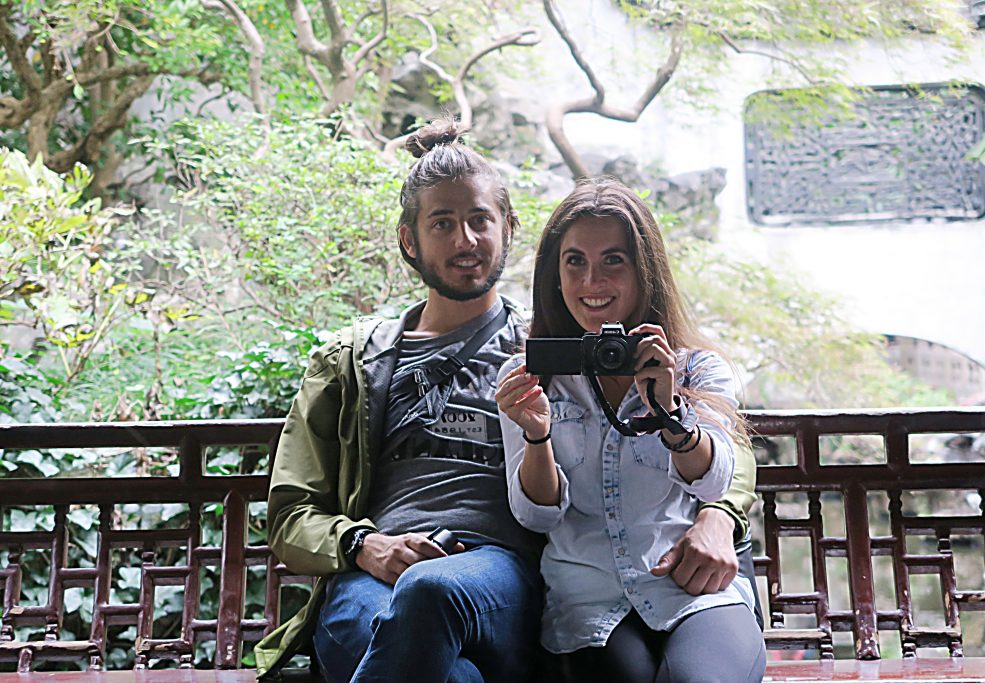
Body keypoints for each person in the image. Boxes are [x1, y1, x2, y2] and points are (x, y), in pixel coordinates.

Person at [253, 118, 760, 683]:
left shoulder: (553, 351)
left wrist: (718, 513)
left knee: (430, 594)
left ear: (508, 230)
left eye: (479, 221)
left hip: (499, 572)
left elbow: (723, 446)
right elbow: (290, 512)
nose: (464, 241)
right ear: (408, 239)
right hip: (372, 570)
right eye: (441, 224)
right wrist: (364, 545)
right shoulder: (351, 360)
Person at [496, 178, 767, 683]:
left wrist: (668, 411)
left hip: (692, 588)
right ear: (554, 274)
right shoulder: (533, 375)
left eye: (613, 261)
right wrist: (536, 433)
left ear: (645, 271)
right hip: (588, 599)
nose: (591, 281)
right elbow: (536, 514)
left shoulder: (698, 371)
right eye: (574, 261)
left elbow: (712, 481)